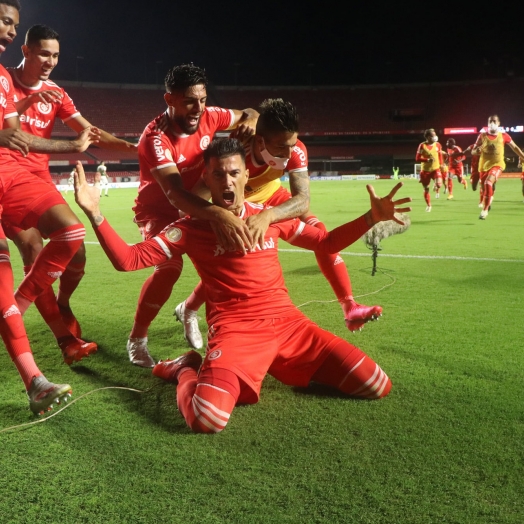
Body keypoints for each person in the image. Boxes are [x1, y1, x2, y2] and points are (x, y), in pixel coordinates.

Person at [74, 137, 412, 434]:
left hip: (289, 325)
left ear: (246, 175)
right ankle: (185, 368)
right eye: (218, 174)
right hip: (236, 332)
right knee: (206, 419)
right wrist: (95, 214)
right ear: (206, 177)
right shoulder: (189, 228)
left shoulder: (269, 216)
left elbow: (325, 243)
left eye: (234, 173)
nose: (227, 181)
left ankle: (279, 364)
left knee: (375, 384)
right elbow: (128, 260)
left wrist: (370, 218)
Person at [179, 99, 383, 340]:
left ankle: (349, 307)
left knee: (319, 232)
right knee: (238, 252)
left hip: (271, 197)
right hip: (234, 202)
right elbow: (193, 202)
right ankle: (189, 308)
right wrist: (218, 216)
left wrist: (269, 215)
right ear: (260, 140)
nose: (288, 154)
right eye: (280, 148)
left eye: (292, 145)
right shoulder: (234, 151)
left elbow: (302, 201)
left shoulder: (294, 150)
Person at [4, 24, 136, 352]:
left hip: (40, 181)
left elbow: (92, 132)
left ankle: (63, 302)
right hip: (8, 179)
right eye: (44, 53)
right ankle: (65, 340)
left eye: (56, 55)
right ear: (26, 51)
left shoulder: (58, 94)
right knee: (34, 251)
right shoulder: (4, 80)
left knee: (77, 252)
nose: (50, 61)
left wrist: (135, 149)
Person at [127, 63, 259, 367]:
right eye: (189, 101)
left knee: (227, 253)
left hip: (198, 200)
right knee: (169, 268)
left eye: (202, 99)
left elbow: (250, 112)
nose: (198, 108)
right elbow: (174, 194)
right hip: (159, 211)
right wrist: (219, 215)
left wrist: (251, 119)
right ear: (169, 100)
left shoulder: (210, 115)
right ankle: (137, 338)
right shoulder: (155, 138)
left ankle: (189, 309)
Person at [0, 0, 96, 413]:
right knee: (28, 258)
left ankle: (41, 364)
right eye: (4, 21)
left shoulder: (3, 78)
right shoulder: (9, 78)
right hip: (15, 177)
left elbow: (11, 134)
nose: (8, 29)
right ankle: (57, 347)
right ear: (28, 50)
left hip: (21, 181)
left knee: (73, 241)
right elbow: (12, 136)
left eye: (12, 23)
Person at [473, 115, 524, 219]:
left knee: (488, 182)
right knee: (485, 189)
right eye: (490, 121)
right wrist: (476, 151)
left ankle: (485, 210)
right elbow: (473, 150)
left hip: (498, 165)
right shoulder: (482, 136)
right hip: (483, 166)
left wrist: (523, 156)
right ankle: (489, 199)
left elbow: (515, 147)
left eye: (494, 121)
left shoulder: (504, 136)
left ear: (499, 123)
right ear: (487, 123)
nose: (492, 123)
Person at [416, 129, 443, 212]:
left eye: (435, 135)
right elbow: (417, 158)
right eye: (433, 136)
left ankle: (435, 185)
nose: (435, 137)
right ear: (428, 137)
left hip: (435, 169)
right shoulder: (422, 146)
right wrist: (427, 160)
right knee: (426, 189)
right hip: (425, 171)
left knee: (439, 184)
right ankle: (428, 205)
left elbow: (440, 155)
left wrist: (441, 164)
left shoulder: (438, 145)